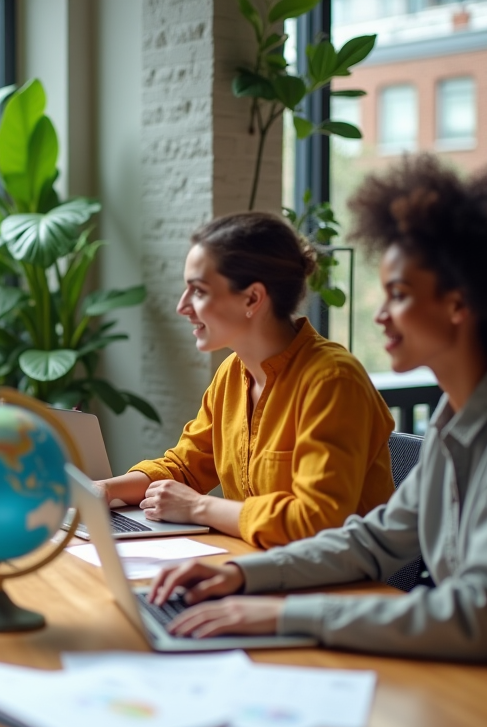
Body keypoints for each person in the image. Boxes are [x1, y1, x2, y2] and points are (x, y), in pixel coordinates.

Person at [149, 155, 487, 671]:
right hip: (485, 678)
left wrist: (286, 616)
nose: (380, 315)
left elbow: (477, 617)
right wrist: (242, 577)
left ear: (459, 304)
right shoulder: (457, 418)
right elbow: (373, 541)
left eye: (399, 295)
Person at [96, 211, 396, 548]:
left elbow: (316, 521)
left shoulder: (333, 380)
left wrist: (197, 507)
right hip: (254, 565)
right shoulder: (231, 374)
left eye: (198, 291)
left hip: (337, 588)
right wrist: (104, 490)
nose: (182, 307)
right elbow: (184, 467)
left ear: (252, 298)